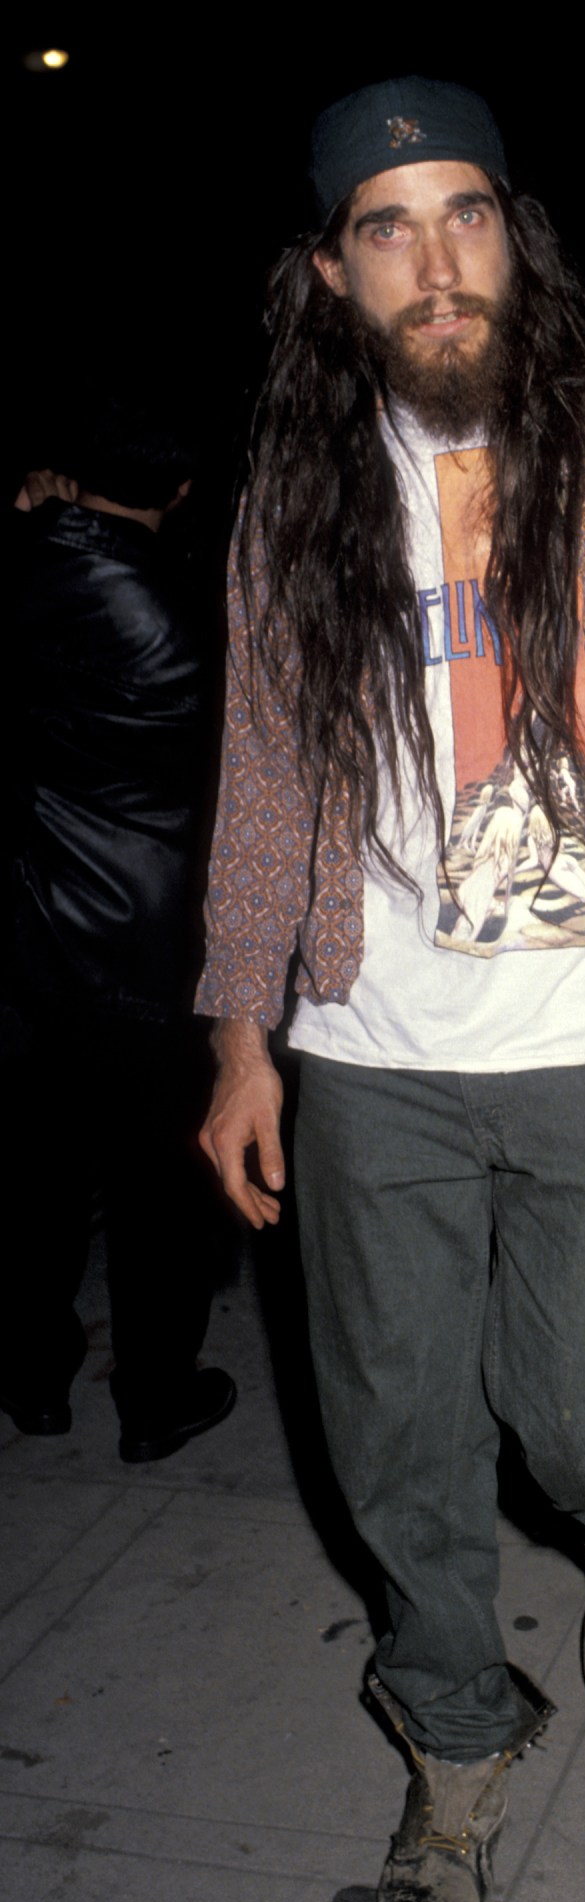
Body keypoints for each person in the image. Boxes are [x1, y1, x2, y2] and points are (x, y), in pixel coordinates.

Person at [196, 76, 585, 1902]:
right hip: (376, 1041)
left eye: (463, 215)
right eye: (387, 227)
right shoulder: (297, 466)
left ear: (512, 233)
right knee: (393, 1445)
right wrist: (239, 1033)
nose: (433, 262)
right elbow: (264, 772)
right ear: (331, 269)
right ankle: (451, 1741)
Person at [2, 402, 233, 1463]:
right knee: (159, 1186)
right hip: (149, 938)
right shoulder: (188, 617)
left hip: (25, 928)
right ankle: (153, 1397)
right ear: (181, 491)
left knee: (36, 1170)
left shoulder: (22, 564)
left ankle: (33, 1380)